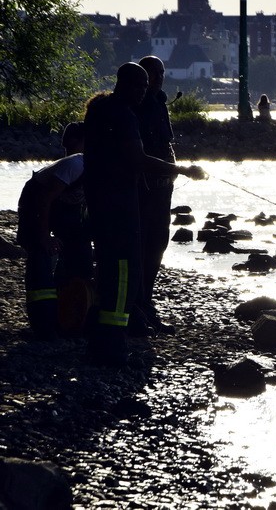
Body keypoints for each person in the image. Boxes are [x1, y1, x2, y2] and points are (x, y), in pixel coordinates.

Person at [83, 62, 206, 367]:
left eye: (147, 84)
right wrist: (182, 170)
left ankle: (113, 330)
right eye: (140, 84)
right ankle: (114, 339)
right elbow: (137, 158)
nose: (144, 90)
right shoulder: (124, 114)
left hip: (103, 199)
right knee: (124, 269)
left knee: (114, 265)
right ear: (123, 83)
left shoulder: (100, 109)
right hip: (122, 200)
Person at [15, 122, 92, 339]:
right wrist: (44, 236)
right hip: (35, 204)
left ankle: (71, 317)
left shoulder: (96, 166)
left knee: (79, 259)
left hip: (63, 210)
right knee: (40, 258)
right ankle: (43, 325)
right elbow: (43, 200)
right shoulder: (76, 164)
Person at [134, 55, 177, 334]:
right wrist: (181, 170)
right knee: (144, 245)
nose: (159, 78)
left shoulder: (160, 102)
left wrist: (174, 169)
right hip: (144, 189)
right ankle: (139, 306)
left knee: (159, 243)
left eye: (161, 73)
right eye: (153, 73)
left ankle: (145, 302)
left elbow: (166, 142)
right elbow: (139, 155)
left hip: (164, 188)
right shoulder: (134, 107)